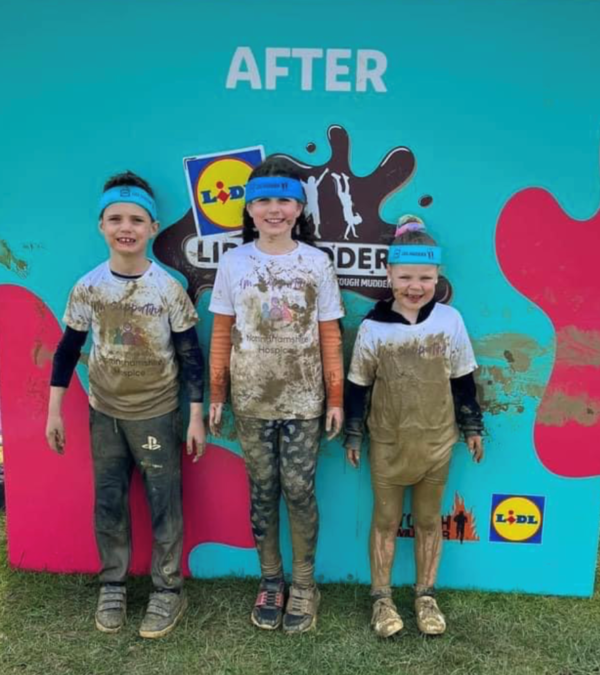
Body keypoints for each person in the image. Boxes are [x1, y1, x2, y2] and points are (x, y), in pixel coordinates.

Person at [45, 171, 205, 638]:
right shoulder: (88, 287)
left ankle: (168, 589)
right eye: (115, 218)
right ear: (101, 226)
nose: (126, 227)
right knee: (109, 501)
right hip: (105, 415)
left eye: (136, 219)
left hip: (157, 413)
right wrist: (55, 410)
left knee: (164, 504)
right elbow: (67, 351)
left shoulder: (168, 287)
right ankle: (112, 583)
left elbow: (190, 356)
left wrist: (194, 415)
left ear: (153, 228)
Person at [208, 156, 344, 633]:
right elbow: (221, 331)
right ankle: (271, 578)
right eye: (263, 200)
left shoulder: (316, 263)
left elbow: (330, 334)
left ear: (299, 208)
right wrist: (218, 392)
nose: (273, 209)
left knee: (299, 489)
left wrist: (334, 398)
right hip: (250, 400)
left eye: (284, 200)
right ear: (248, 209)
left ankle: (304, 584)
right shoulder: (234, 261)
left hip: (305, 401)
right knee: (263, 489)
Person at [343, 217, 484, 638]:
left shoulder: (450, 322)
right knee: (385, 520)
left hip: (437, 442)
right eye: (405, 276)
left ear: (437, 276)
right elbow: (357, 386)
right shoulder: (372, 327)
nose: (415, 286)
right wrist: (353, 432)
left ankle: (425, 596)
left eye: (425, 277)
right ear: (389, 275)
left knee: (427, 521)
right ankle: (381, 600)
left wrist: (473, 426)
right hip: (387, 443)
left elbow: (463, 380)